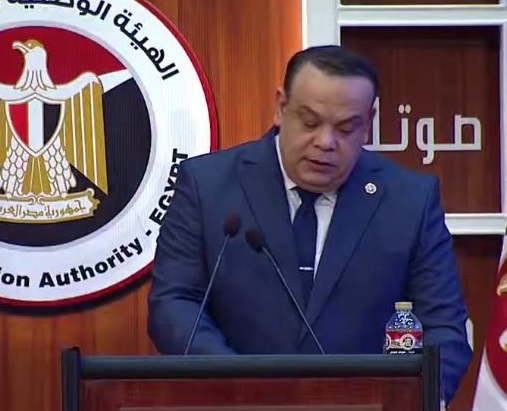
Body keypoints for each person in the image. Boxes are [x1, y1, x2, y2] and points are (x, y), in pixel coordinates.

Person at [148, 45, 472, 404]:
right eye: (310, 122)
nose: (325, 142)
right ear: (280, 107)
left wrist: (410, 400)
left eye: (346, 128)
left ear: (369, 122)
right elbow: (175, 304)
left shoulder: (410, 200)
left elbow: (442, 326)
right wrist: (239, 385)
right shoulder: (207, 185)